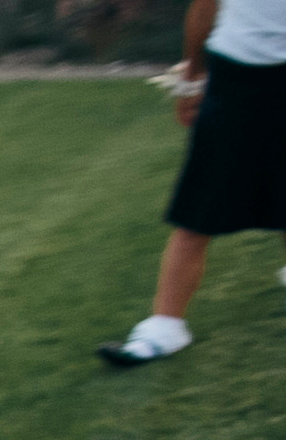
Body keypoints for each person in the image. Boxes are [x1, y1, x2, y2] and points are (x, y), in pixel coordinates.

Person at [98, 0, 286, 366]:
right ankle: (165, 327)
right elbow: (204, 7)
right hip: (234, 81)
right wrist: (192, 79)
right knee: (197, 210)